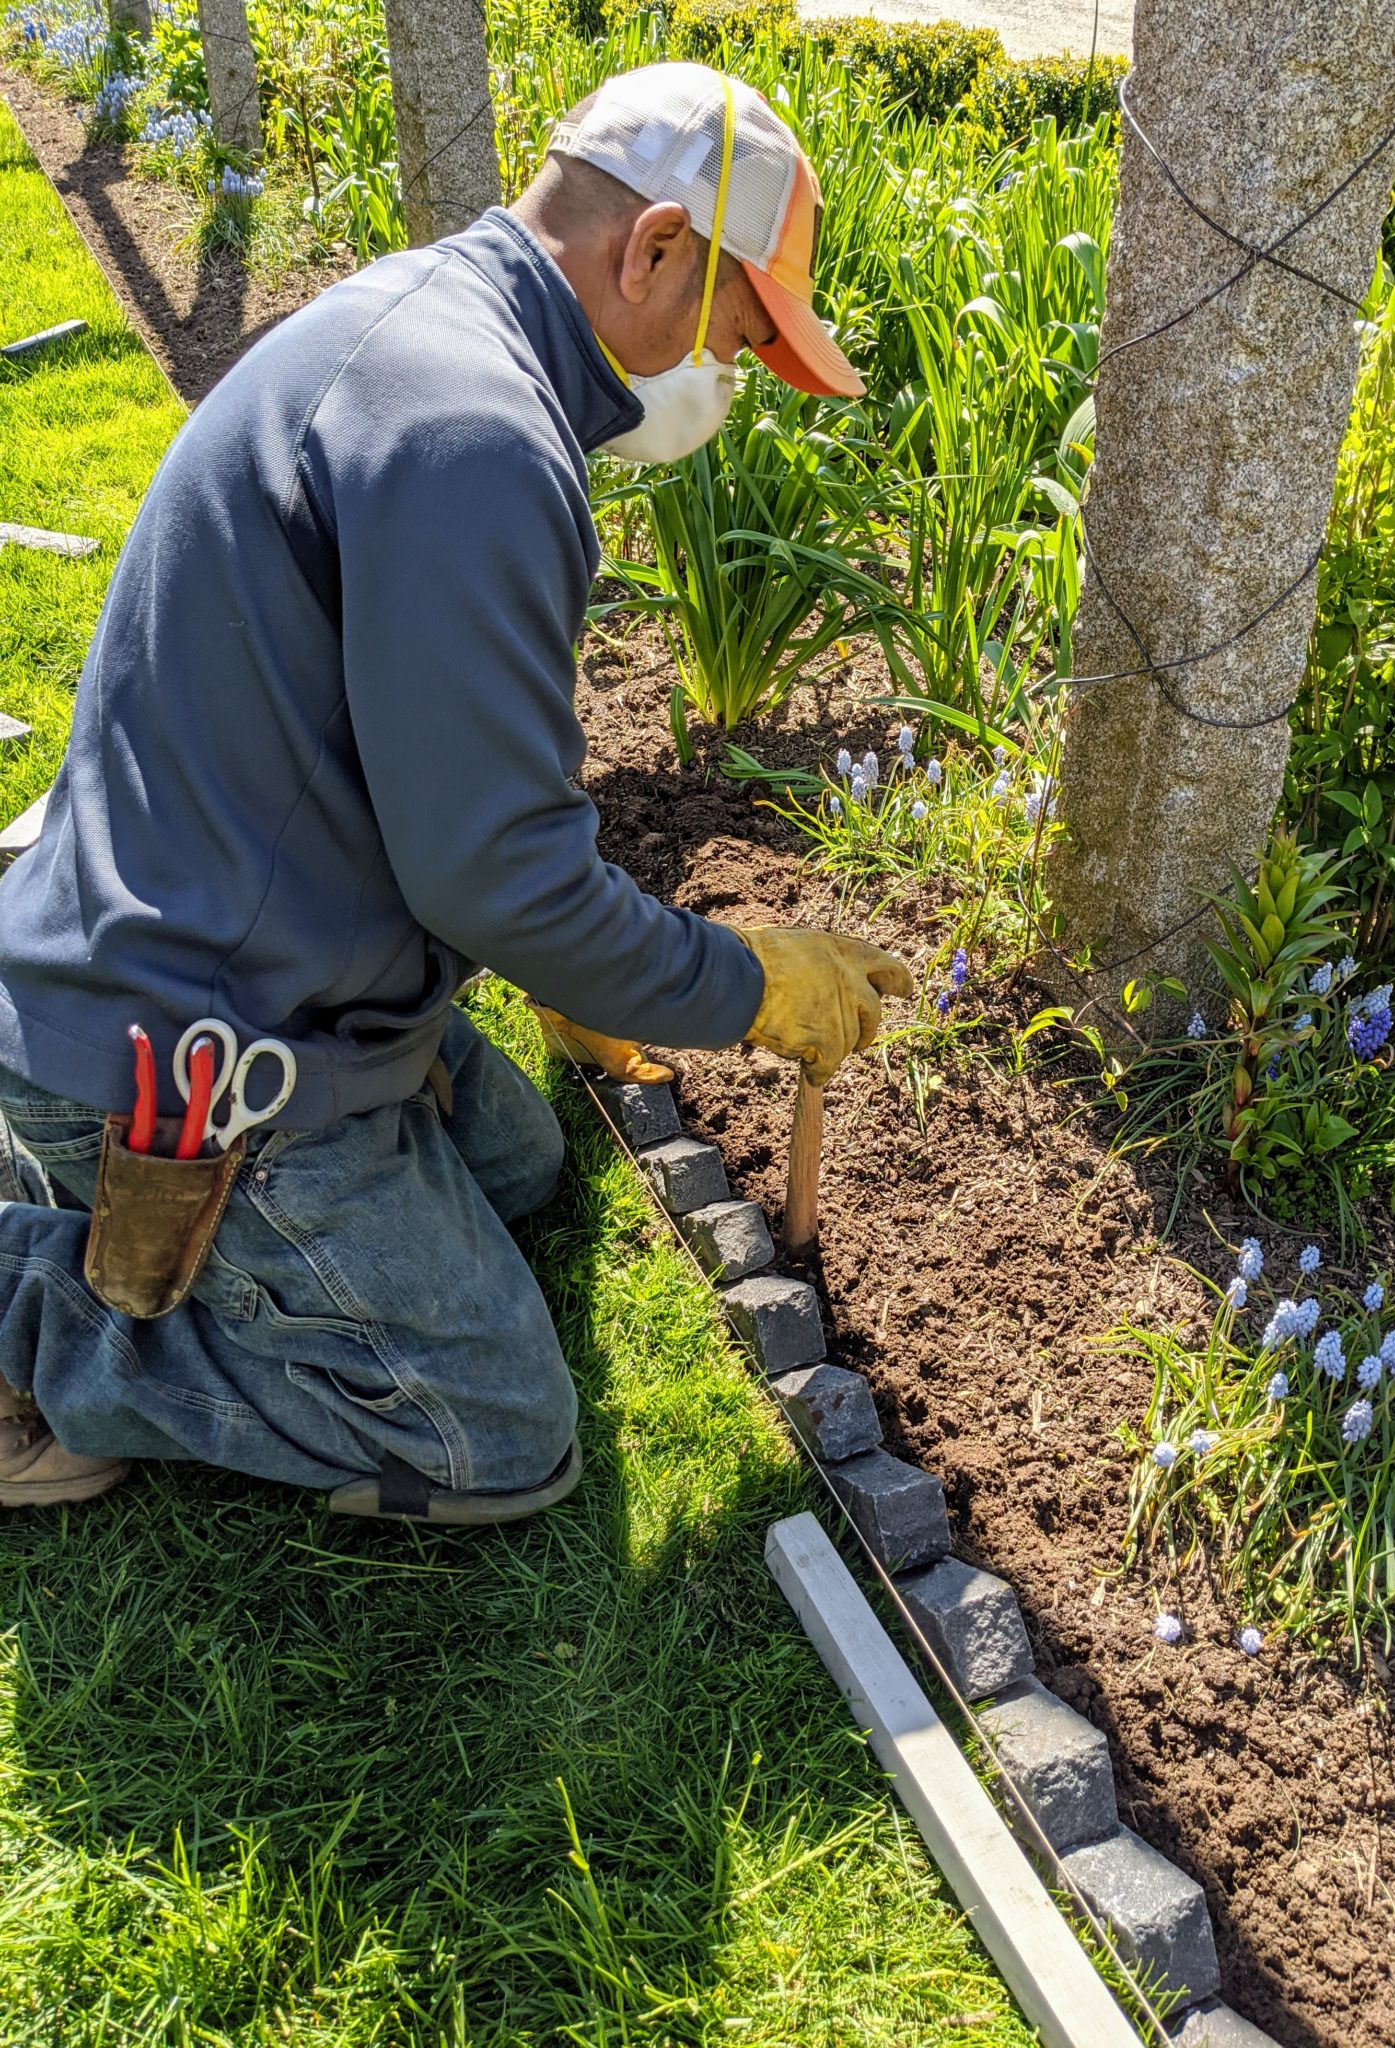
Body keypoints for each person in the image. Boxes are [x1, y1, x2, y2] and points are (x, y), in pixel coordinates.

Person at [0, 61, 912, 1521]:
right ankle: (35, 1308)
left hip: (236, 939)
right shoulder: (475, 436)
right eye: (737, 337)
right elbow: (495, 876)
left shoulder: (439, 328)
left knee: (524, 1165)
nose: (727, 379)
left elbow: (448, 791)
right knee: (486, 1434)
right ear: (657, 245)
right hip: (188, 1042)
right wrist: (750, 986)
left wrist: (570, 975)